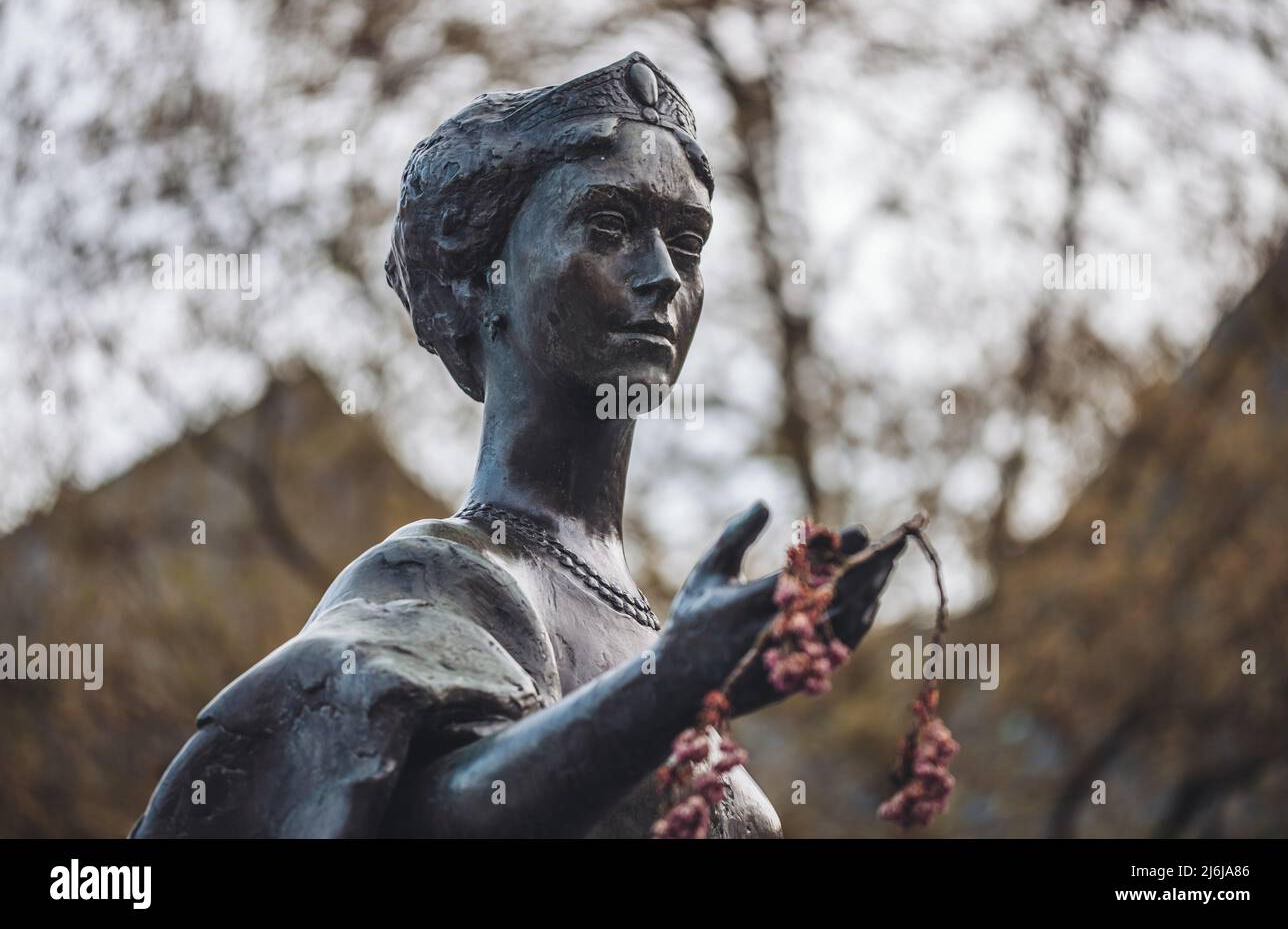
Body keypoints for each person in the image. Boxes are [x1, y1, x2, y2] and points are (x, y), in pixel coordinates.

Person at [132, 52, 905, 838]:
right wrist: (671, 681)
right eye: (609, 225)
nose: (666, 274)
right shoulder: (437, 578)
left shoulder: (659, 630)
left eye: (688, 240)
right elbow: (409, 820)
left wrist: (683, 673)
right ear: (481, 282)